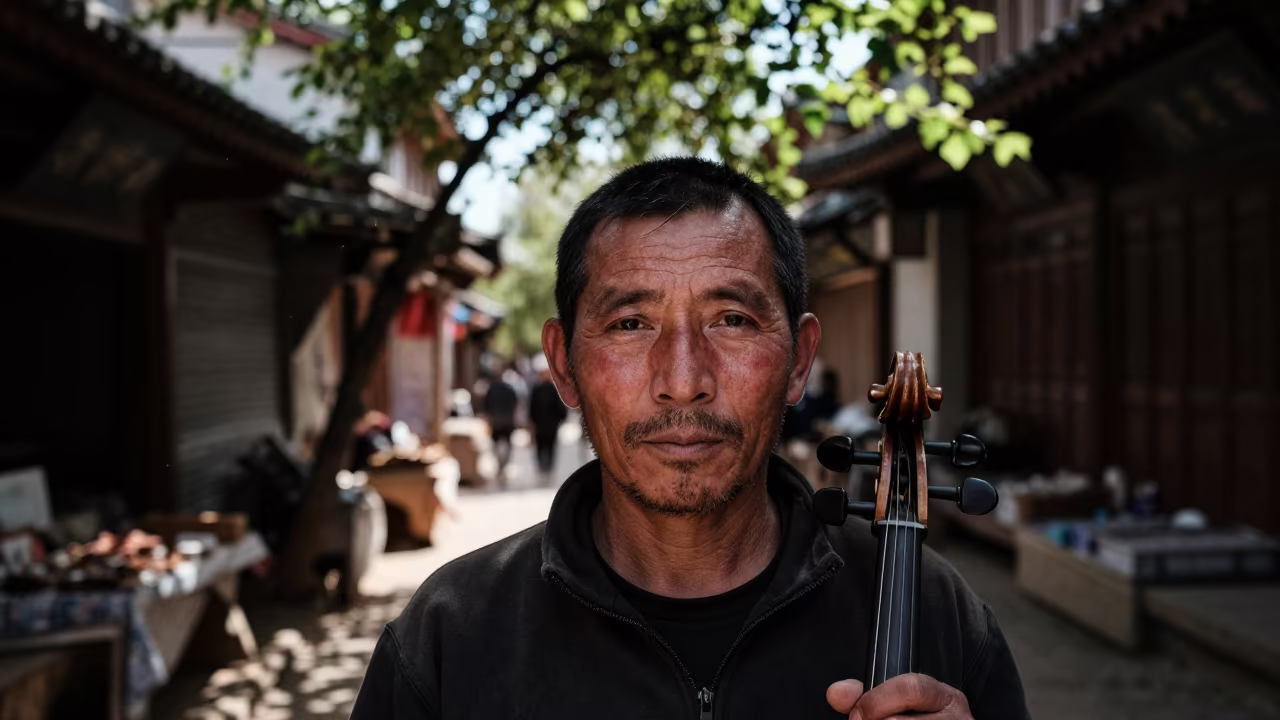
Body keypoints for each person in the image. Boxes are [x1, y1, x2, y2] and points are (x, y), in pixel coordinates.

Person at [350, 158, 1030, 719]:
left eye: (732, 320)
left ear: (798, 361)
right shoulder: (449, 635)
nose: (683, 381)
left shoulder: (937, 614)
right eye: (630, 324)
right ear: (563, 365)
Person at [528, 360, 569, 486]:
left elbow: (561, 408)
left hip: (551, 425)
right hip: (541, 425)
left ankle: (548, 469)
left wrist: (561, 419)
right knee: (541, 447)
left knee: (550, 447)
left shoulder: (553, 389)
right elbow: (531, 408)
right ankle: (542, 469)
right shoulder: (537, 389)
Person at [480, 366, 518, 486]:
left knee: (497, 444)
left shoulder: (492, 390)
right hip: (507, 420)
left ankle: (501, 464)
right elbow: (515, 404)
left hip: (496, 421)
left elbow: (486, 405)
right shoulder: (508, 389)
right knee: (506, 444)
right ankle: (503, 464)